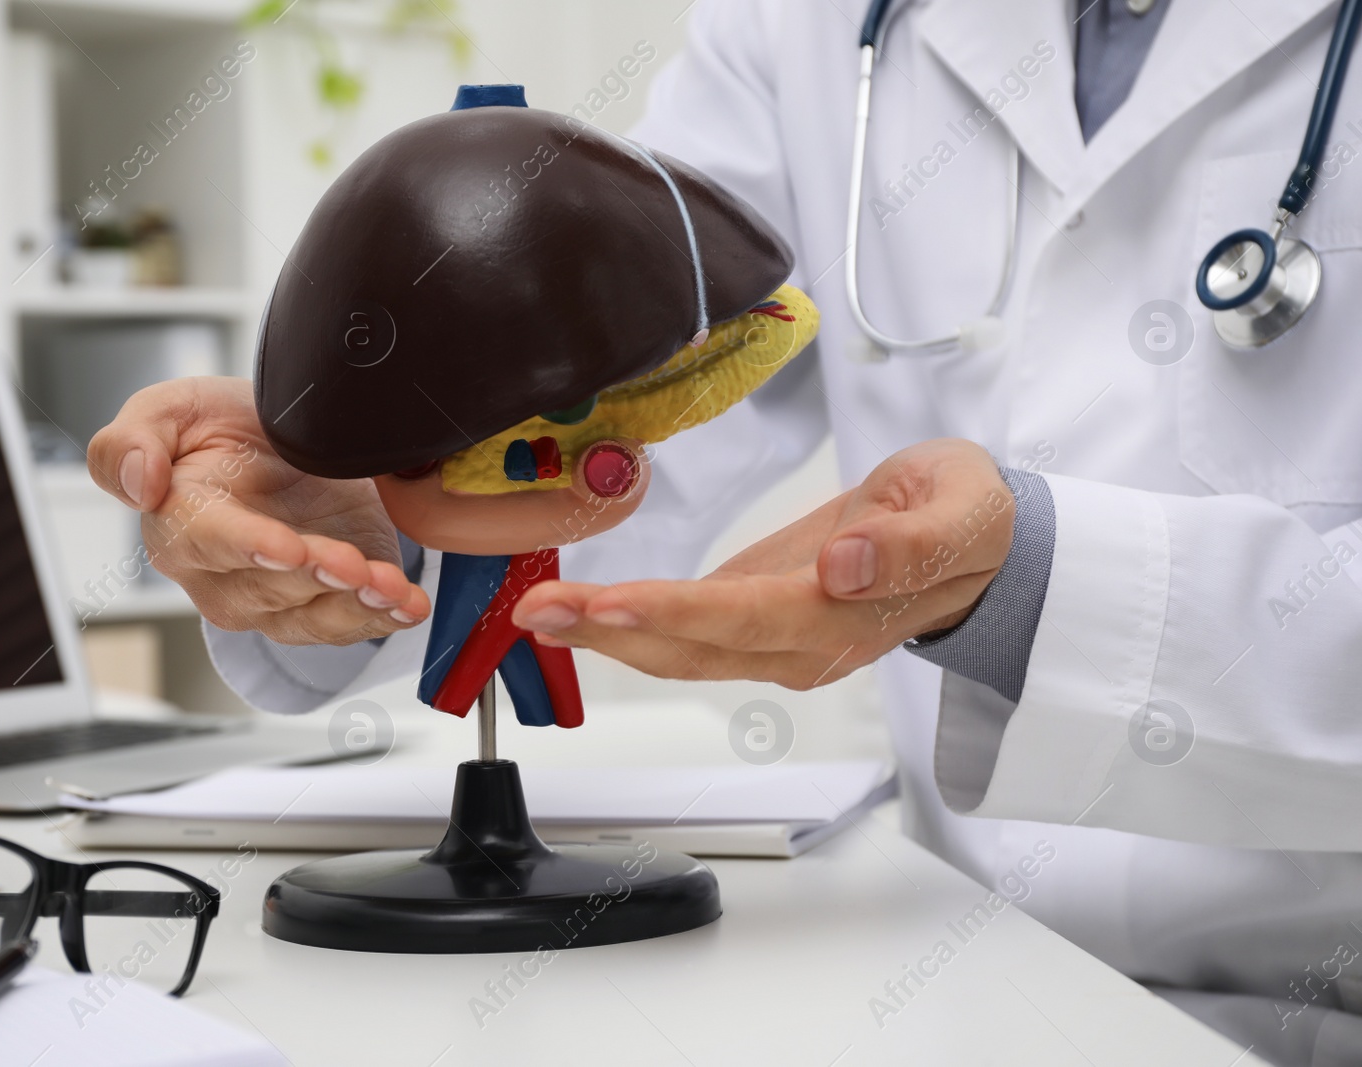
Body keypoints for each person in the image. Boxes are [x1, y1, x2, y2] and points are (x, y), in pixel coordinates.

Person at [89, 2, 1362, 1061]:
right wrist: (399, 485)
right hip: (952, 975)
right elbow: (617, 332)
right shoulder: (810, 21)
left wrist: (1021, 584)